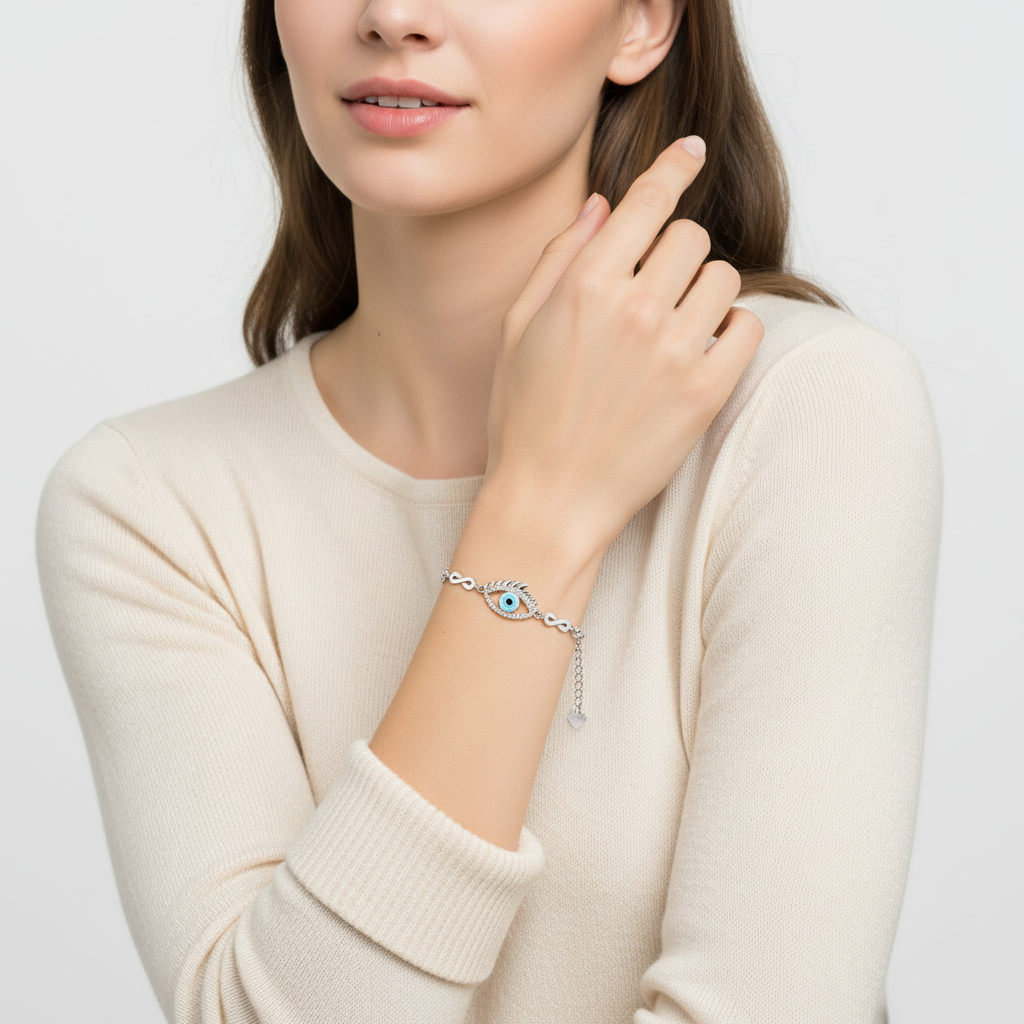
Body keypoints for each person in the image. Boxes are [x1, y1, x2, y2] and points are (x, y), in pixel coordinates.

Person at [35, 0, 943, 1020]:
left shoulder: (801, 405)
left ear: (641, 24)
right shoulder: (149, 504)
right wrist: (537, 512)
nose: (393, 15)